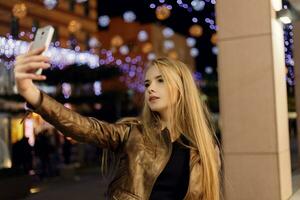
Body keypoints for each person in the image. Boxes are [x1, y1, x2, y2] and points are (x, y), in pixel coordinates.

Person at [14, 47, 221, 200]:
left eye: (160, 80)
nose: (150, 88)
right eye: (147, 83)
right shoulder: (133, 134)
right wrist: (30, 92)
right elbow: (85, 127)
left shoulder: (203, 148)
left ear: (182, 88)